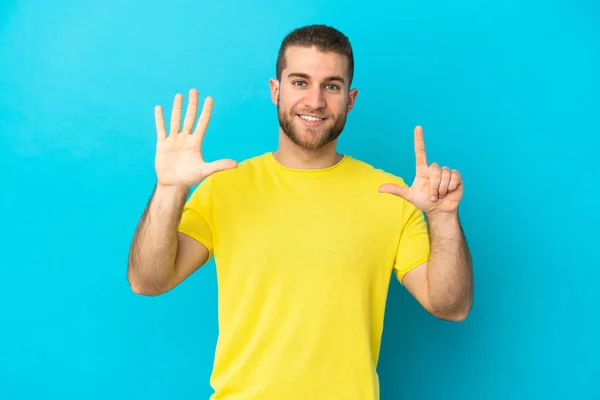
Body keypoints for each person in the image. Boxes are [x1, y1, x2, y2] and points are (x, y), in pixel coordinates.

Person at [127, 24, 473, 400]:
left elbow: (450, 307)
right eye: (299, 82)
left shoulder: (391, 195)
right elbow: (148, 281)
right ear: (276, 90)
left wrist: (442, 218)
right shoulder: (225, 187)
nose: (314, 101)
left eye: (331, 86)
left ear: (350, 98)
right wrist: (169, 189)